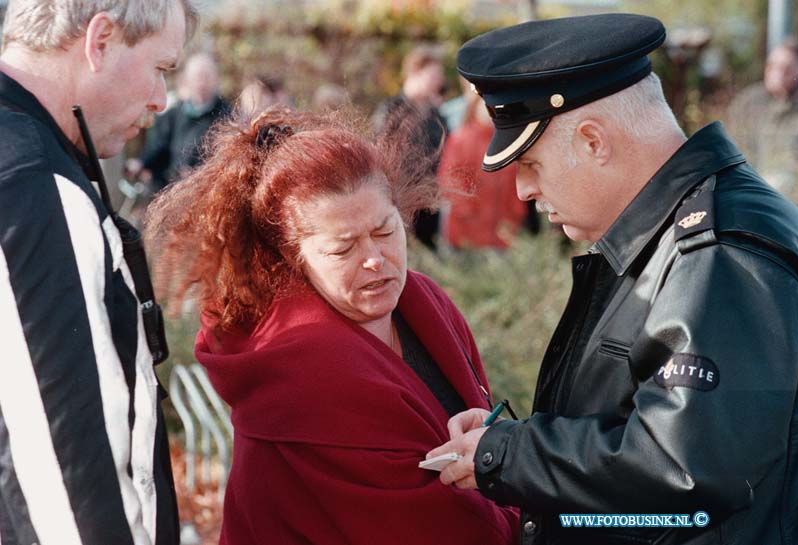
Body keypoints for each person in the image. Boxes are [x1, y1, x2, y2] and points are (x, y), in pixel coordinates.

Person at [427, 13, 798, 545]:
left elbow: (680, 465)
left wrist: (507, 454)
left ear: (593, 141)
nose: (523, 192)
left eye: (530, 162)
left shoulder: (717, 254)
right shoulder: (670, 231)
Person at [144, 107, 519, 545]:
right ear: (293, 258)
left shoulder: (424, 301)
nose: (375, 259)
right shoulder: (307, 368)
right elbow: (444, 529)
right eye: (343, 249)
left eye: (384, 231)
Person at [0, 1, 197, 545]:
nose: (161, 99)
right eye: (161, 68)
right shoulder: (34, 184)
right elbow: (65, 464)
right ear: (101, 40)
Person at [373, 45, 448, 250]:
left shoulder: (435, 112)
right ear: (416, 71)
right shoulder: (392, 110)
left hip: (430, 201)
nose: (439, 82)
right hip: (400, 200)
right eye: (434, 75)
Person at [438, 88, 527, 250]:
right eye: (487, 106)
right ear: (475, 106)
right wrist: (466, 210)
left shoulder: (509, 142)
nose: (490, 111)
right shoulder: (461, 139)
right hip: (466, 233)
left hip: (502, 232)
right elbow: (450, 180)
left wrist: (516, 213)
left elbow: (517, 183)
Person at [129, 52, 228, 191]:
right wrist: (141, 162)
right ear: (188, 80)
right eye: (197, 77)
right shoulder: (174, 114)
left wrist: (201, 173)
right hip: (174, 187)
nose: (202, 82)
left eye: (207, 76)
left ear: (216, 79)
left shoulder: (226, 115)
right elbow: (159, 145)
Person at [726, 38, 798, 204]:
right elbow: (731, 151)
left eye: (786, 69)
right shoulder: (747, 103)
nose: (777, 74)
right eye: (772, 66)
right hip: (751, 196)